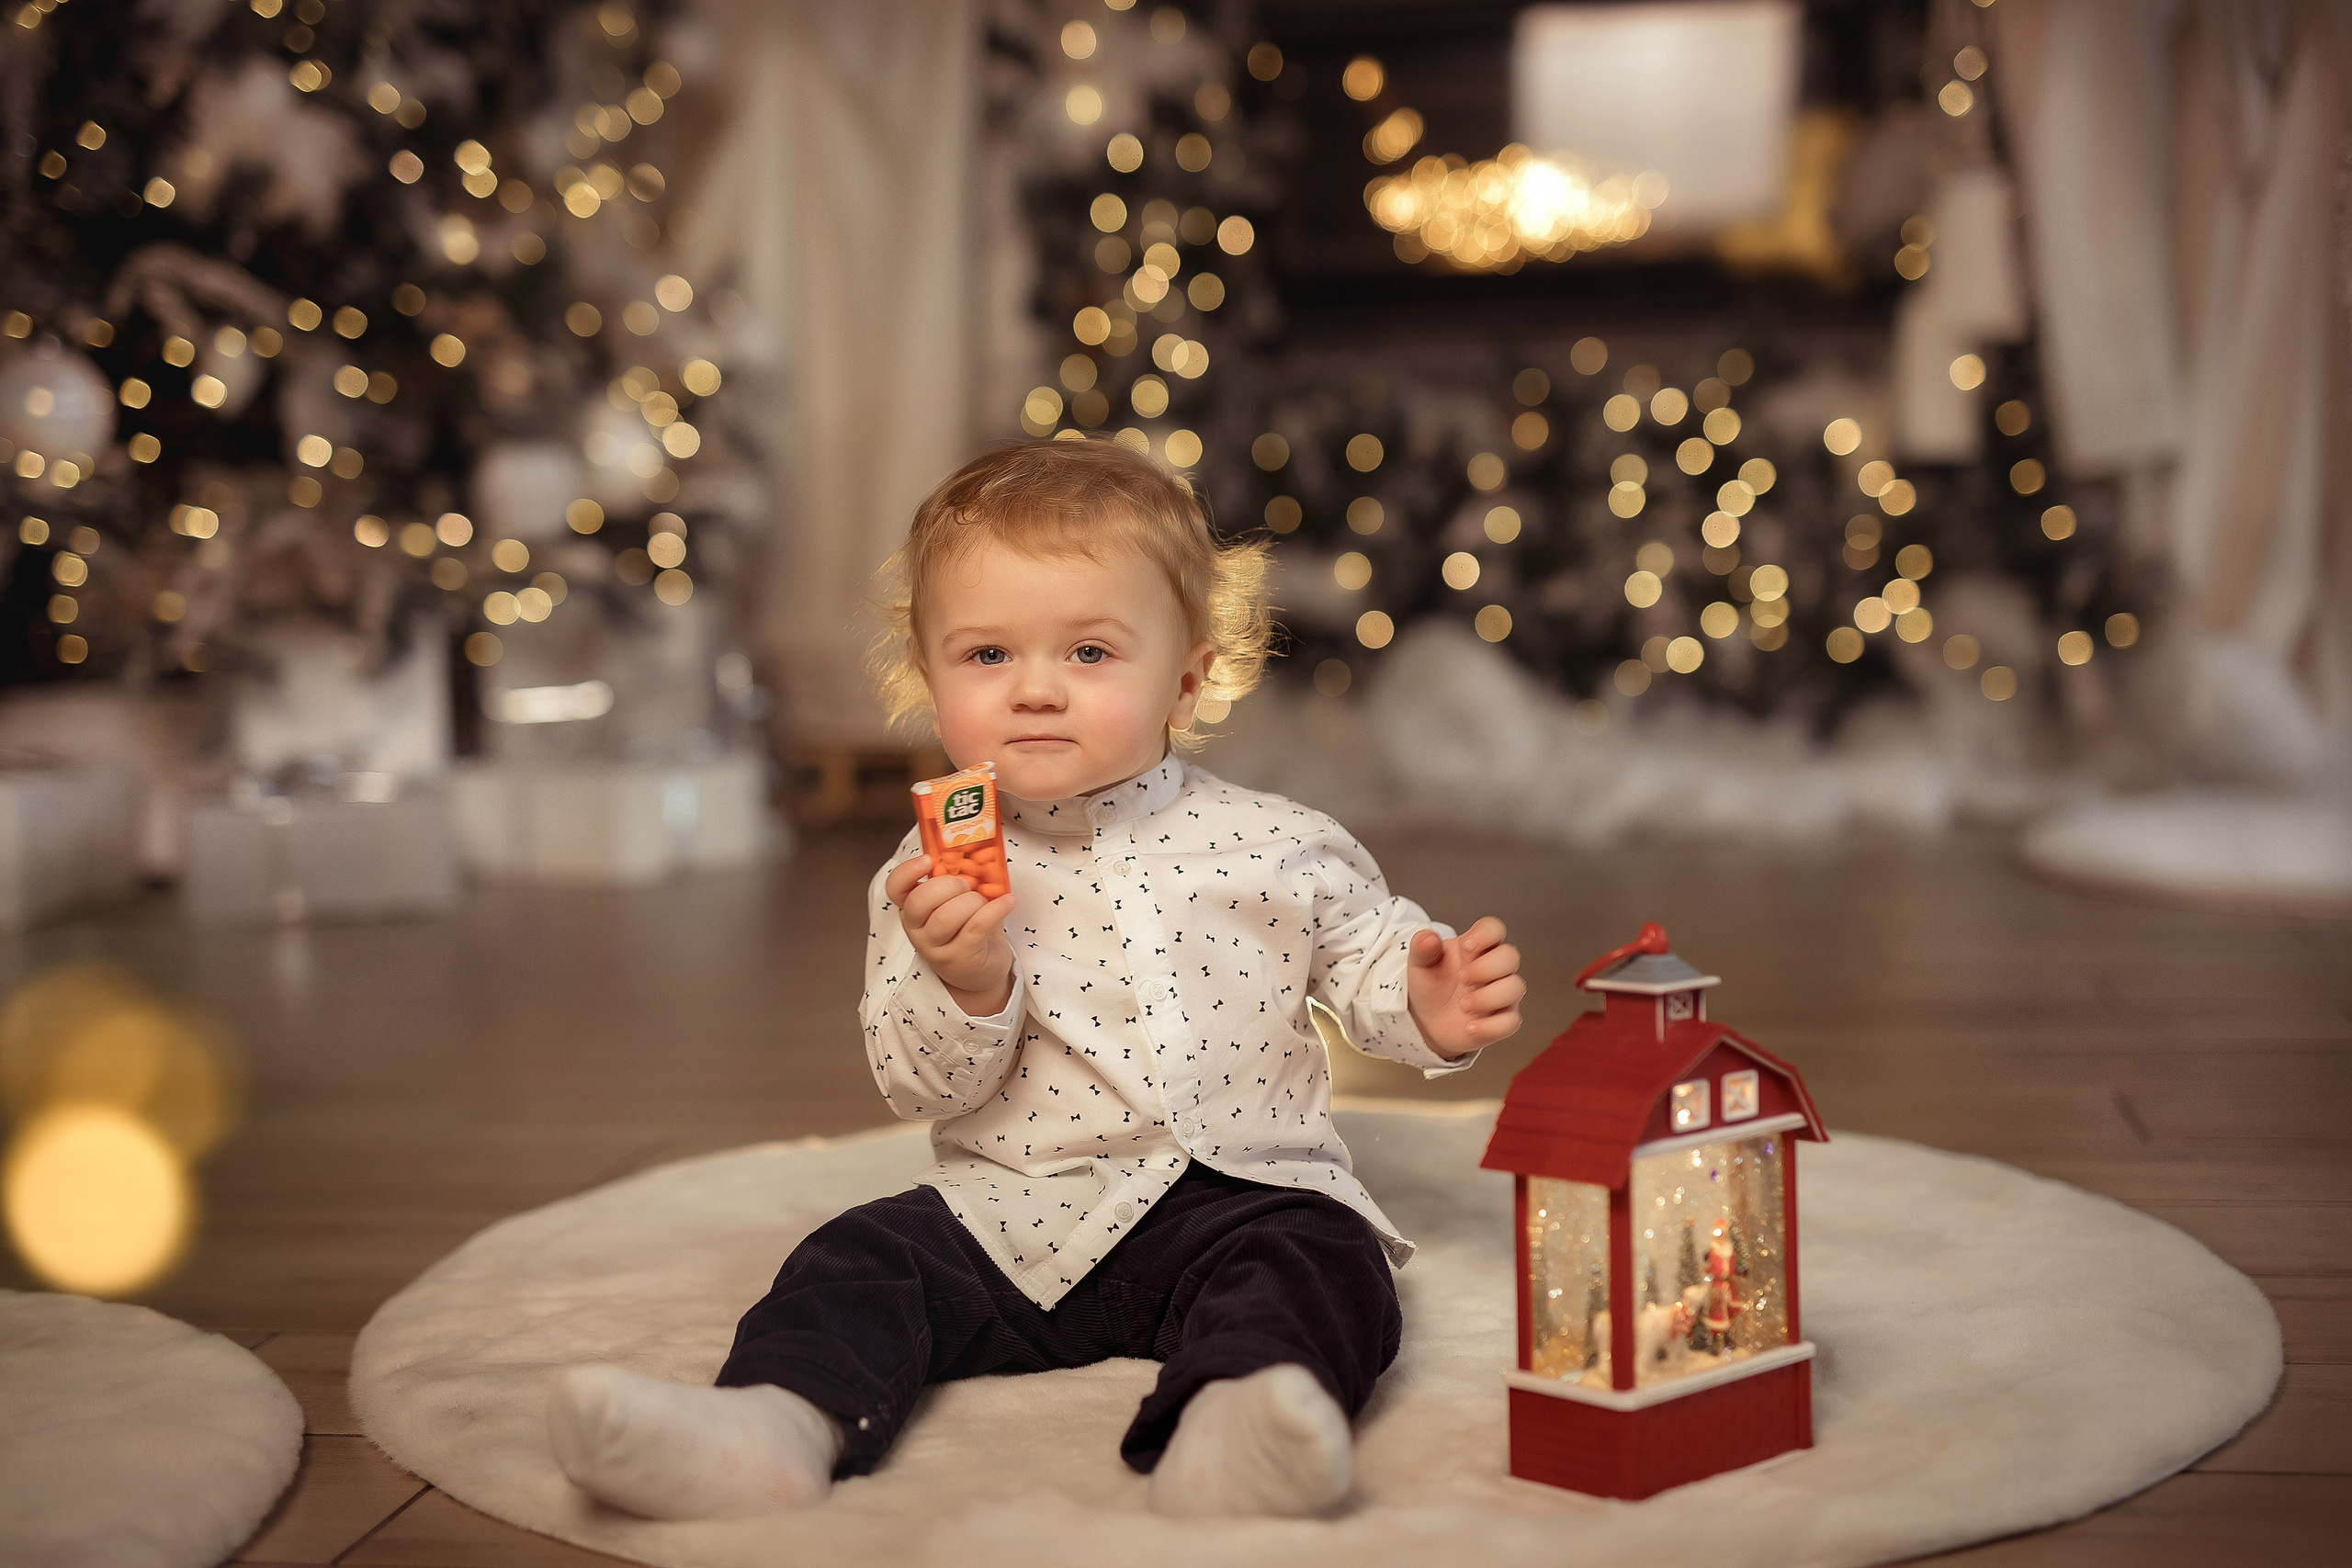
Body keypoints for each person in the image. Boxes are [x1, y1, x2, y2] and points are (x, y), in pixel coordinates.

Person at [546, 439, 1525, 1519]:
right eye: (986, 657)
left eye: (1092, 654)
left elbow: (1369, 952)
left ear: (1186, 681)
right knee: (860, 1253)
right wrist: (966, 980)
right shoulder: (929, 877)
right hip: (1018, 1212)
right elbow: (919, 1087)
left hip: (1243, 1196)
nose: (1036, 691)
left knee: (1328, 1261)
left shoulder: (1278, 843)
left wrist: (1427, 1006)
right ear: (928, 680)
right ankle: (771, 1427)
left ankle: (1236, 1423)